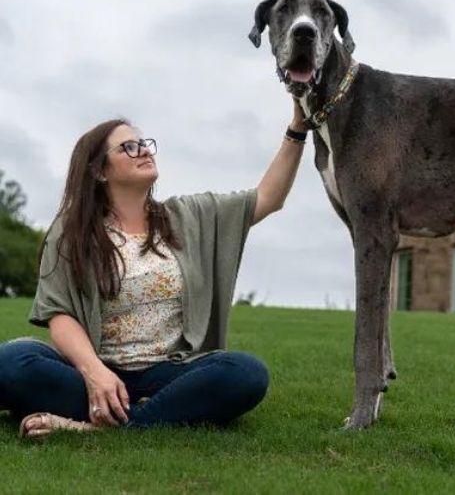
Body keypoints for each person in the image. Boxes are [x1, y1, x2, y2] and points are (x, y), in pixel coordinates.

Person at [0, 100, 308, 437]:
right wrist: (95, 373)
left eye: (144, 143)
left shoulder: (189, 216)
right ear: (100, 171)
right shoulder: (71, 230)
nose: (143, 150)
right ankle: (145, 413)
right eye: (128, 147)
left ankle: (99, 427)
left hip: (170, 372)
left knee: (246, 373)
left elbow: (268, 197)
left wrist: (297, 129)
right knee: (13, 360)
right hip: (95, 372)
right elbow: (60, 315)